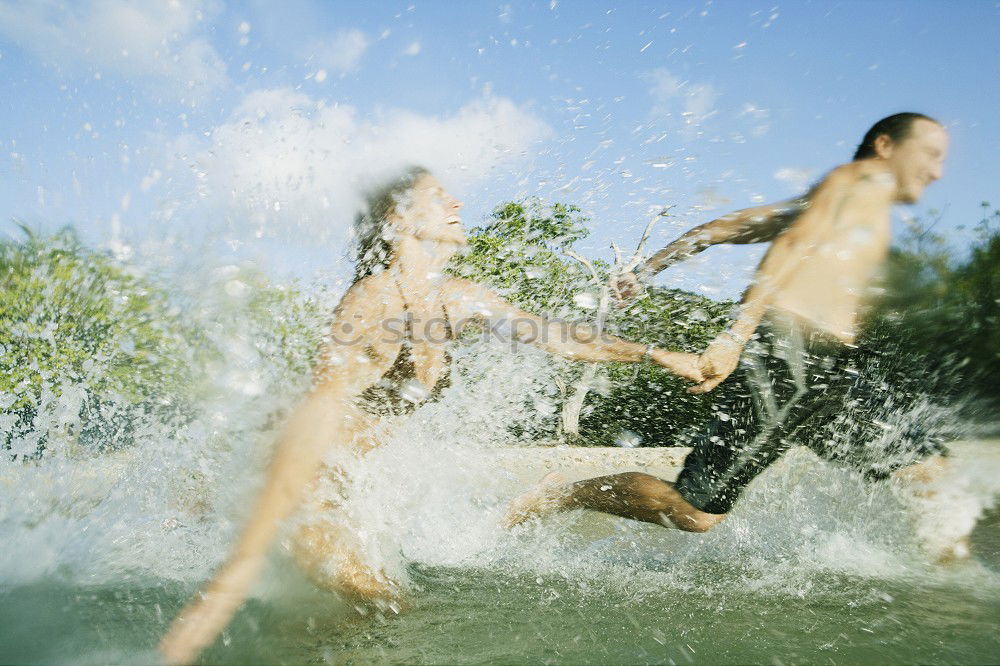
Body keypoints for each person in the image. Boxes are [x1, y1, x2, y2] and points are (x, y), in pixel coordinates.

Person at [159, 167, 703, 665]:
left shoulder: (457, 299)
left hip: (341, 484)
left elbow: (556, 336)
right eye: (439, 196)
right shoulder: (371, 303)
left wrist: (653, 354)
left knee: (378, 607)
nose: (458, 201)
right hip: (299, 486)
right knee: (383, 603)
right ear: (399, 218)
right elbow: (315, 412)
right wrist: (245, 558)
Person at [508, 113, 965, 555]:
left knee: (927, 469)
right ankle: (557, 495)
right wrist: (733, 337)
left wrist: (648, 269)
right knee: (694, 513)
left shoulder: (837, 198)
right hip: (792, 360)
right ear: (885, 146)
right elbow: (791, 246)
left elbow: (726, 227)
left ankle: (950, 586)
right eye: (929, 154)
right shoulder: (862, 180)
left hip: (837, 369)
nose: (938, 172)